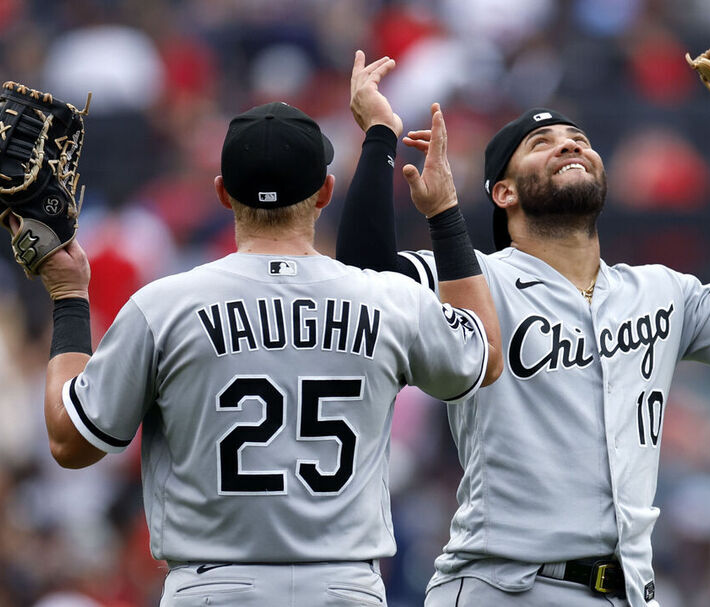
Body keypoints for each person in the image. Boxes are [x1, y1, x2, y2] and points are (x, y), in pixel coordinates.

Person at [34, 52, 502, 607]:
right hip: (343, 586)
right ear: (326, 192)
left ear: (222, 193)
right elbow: (485, 355)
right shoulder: (388, 298)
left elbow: (71, 441)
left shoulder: (164, 305)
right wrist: (441, 206)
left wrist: (68, 298)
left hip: (214, 587)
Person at [336, 93, 710, 604]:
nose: (568, 145)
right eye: (541, 142)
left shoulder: (663, 291)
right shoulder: (472, 279)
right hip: (507, 584)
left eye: (579, 139)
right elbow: (362, 278)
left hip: (629, 591)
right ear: (503, 192)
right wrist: (380, 137)